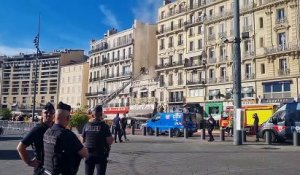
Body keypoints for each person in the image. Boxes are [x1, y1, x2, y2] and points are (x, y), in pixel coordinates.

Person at [43, 102, 88, 175]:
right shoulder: (67, 135)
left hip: (47, 171)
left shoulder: (47, 132)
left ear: (55, 116)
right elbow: (85, 153)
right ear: (68, 118)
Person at [17, 102, 55, 175]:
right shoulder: (37, 129)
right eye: (46, 112)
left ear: (54, 115)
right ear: (42, 114)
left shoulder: (54, 128)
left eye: (51, 112)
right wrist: (29, 162)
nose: (49, 114)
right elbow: (20, 147)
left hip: (52, 168)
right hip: (41, 168)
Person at [82, 105, 114, 175]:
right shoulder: (104, 126)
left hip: (88, 154)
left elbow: (82, 140)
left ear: (93, 114)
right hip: (100, 154)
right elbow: (110, 141)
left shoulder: (87, 125)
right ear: (101, 114)